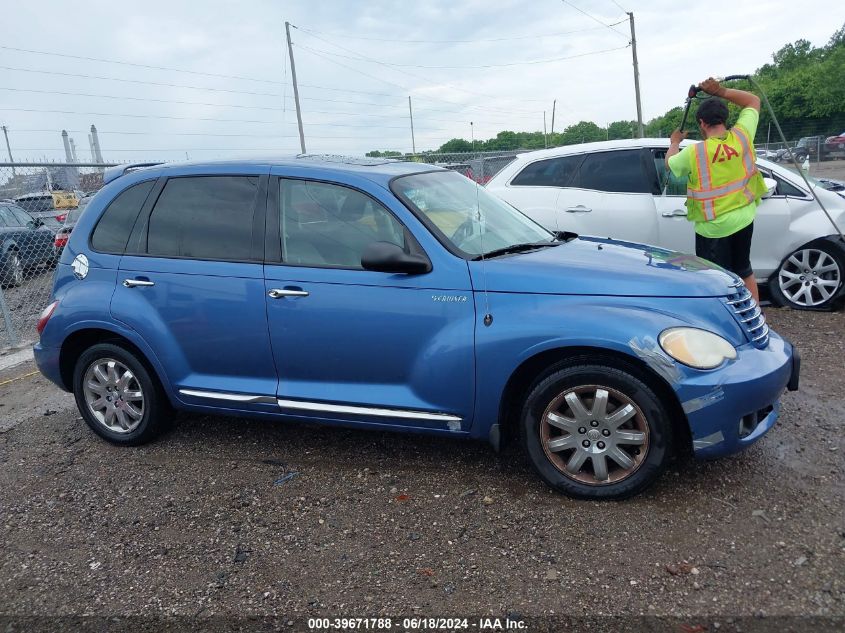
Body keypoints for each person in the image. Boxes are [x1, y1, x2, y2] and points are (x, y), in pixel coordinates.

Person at [666, 77, 768, 302]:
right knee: (744, 269)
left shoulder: (694, 153)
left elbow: (670, 165)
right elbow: (752, 101)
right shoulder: (742, 135)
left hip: (714, 229)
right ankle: (755, 317)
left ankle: (724, 323)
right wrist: (720, 90)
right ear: (724, 118)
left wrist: (674, 142)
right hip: (744, 218)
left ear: (702, 123)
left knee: (713, 278)